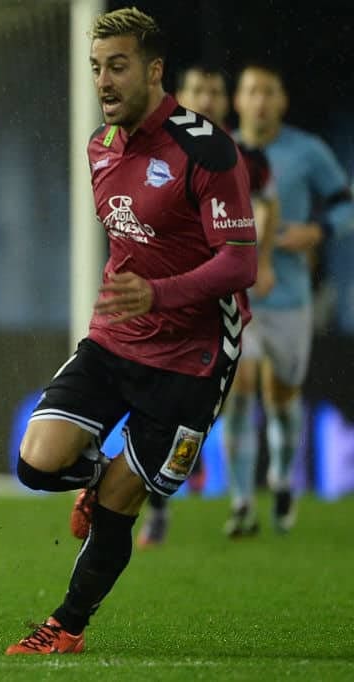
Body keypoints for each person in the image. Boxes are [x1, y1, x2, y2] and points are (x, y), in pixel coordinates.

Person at [6, 8, 256, 655]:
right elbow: (131, 246)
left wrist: (161, 293)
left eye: (117, 66)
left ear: (153, 70)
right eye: (96, 67)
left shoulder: (207, 149)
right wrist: (124, 305)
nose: (103, 80)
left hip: (193, 357)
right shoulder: (100, 147)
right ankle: (97, 480)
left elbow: (240, 263)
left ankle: (67, 626)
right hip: (115, 339)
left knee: (121, 505)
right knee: (36, 462)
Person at [136, 64, 280, 547]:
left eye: (215, 91)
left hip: (220, 303)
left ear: (225, 100)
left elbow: (266, 209)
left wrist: (264, 258)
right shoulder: (155, 151)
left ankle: (222, 486)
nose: (207, 99)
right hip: (165, 297)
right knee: (151, 402)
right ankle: (157, 506)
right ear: (180, 95)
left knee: (217, 402)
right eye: (198, 90)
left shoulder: (245, 158)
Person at [221, 62, 354, 536]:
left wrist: (317, 231)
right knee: (238, 391)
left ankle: (281, 478)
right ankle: (241, 501)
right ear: (238, 100)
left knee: (281, 397)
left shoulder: (306, 151)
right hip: (236, 296)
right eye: (252, 91)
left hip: (290, 294)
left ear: (282, 101)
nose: (260, 100)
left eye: (269, 91)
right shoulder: (221, 151)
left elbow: (345, 203)